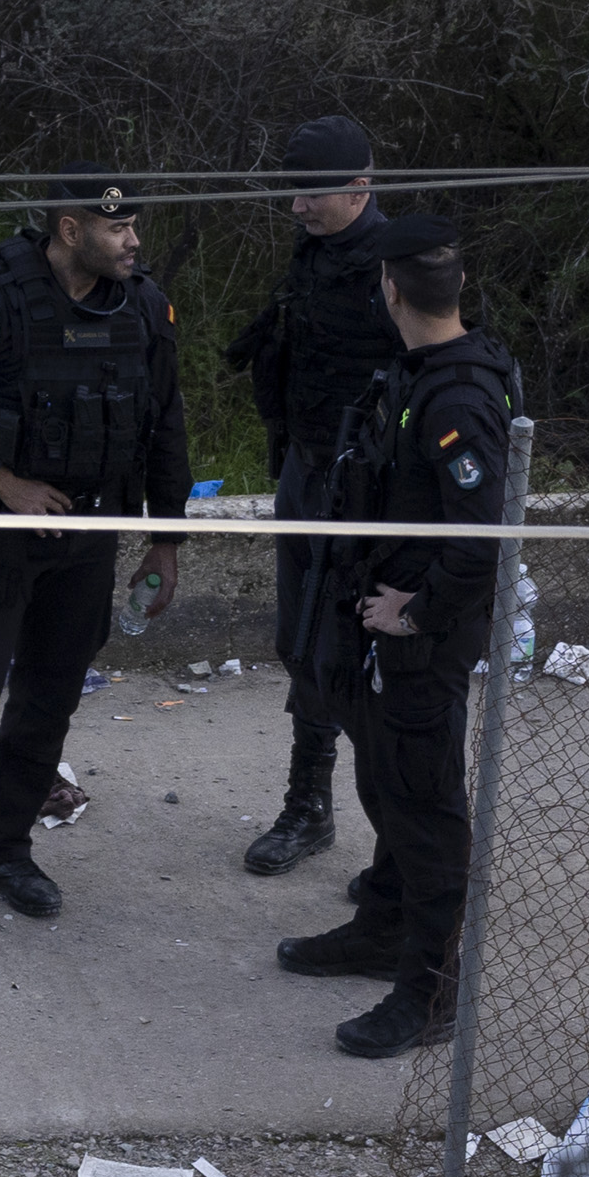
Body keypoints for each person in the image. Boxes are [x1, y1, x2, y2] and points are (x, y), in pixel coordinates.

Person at [0, 171, 192, 960]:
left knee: (48, 704)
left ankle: (5, 851)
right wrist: (0, 480)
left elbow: (164, 425)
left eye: (136, 227)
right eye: (116, 228)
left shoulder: (146, 308)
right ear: (69, 227)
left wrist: (166, 539)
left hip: (87, 539)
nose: (133, 241)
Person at [288, 217, 520, 1061]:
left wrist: (415, 614)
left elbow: (483, 541)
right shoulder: (423, 372)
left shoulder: (458, 395)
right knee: (385, 778)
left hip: (424, 638)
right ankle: (381, 927)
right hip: (381, 623)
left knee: (424, 810)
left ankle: (429, 991)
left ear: (391, 289)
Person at [219, 115, 385, 875]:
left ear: (359, 189)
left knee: (363, 660)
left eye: (309, 192)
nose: (295, 206)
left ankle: (402, 845)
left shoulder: (395, 265)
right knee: (302, 643)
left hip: (372, 492)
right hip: (307, 470)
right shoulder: (315, 253)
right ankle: (309, 807)